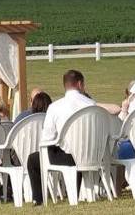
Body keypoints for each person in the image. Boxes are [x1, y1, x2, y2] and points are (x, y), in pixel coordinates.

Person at [27, 70, 95, 205]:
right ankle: (74, 192)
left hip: (68, 157)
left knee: (33, 159)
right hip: (90, 154)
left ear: (65, 85)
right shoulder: (91, 104)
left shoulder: (55, 107)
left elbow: (47, 138)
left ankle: (38, 199)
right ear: (80, 84)